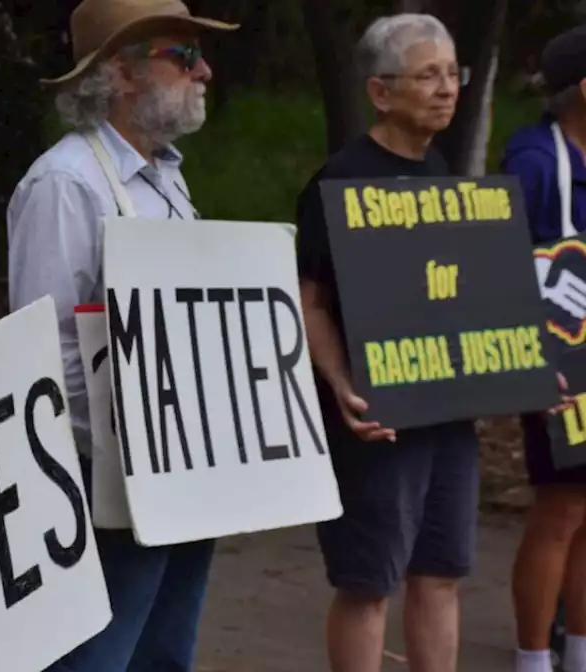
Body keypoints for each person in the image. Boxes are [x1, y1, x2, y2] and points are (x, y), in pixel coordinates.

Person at [6, 0, 237, 669]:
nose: (206, 72)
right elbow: (46, 350)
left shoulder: (168, 175)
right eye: (185, 56)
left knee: (166, 651)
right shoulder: (64, 182)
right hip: (112, 477)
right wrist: (108, 460)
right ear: (123, 74)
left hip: (187, 462)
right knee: (100, 655)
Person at [295, 14, 478, 672]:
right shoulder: (338, 180)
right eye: (428, 74)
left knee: (441, 573)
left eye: (454, 74)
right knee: (368, 583)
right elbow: (308, 298)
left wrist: (525, 369)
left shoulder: (443, 172)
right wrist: (340, 382)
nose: (447, 88)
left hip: (448, 417)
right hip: (377, 424)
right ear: (379, 92)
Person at [502, 24, 586, 672]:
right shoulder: (534, 162)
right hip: (559, 363)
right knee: (560, 510)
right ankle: (534, 660)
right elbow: (495, 266)